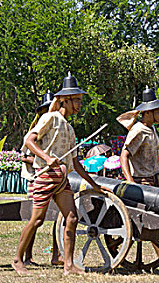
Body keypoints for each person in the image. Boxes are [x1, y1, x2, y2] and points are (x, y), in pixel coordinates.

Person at [13, 73, 108, 275]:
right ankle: (17, 259)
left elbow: (76, 164)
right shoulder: (50, 118)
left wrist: (94, 185)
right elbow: (28, 140)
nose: (80, 104)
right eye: (77, 100)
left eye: (81, 100)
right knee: (37, 220)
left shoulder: (70, 129)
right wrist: (47, 158)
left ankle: (68, 265)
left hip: (62, 179)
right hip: (45, 176)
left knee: (72, 218)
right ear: (65, 100)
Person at [118, 86, 159, 270]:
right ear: (149, 112)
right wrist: (129, 180)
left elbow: (148, 156)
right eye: (158, 111)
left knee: (155, 221)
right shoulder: (138, 130)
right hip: (142, 182)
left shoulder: (151, 130)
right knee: (147, 223)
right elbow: (125, 154)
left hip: (154, 179)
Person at [19, 91, 64, 267]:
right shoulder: (36, 129)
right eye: (46, 108)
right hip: (35, 177)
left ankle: (56, 255)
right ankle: (26, 257)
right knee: (35, 219)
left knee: (59, 217)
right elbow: (24, 156)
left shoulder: (55, 127)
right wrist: (43, 160)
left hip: (54, 178)